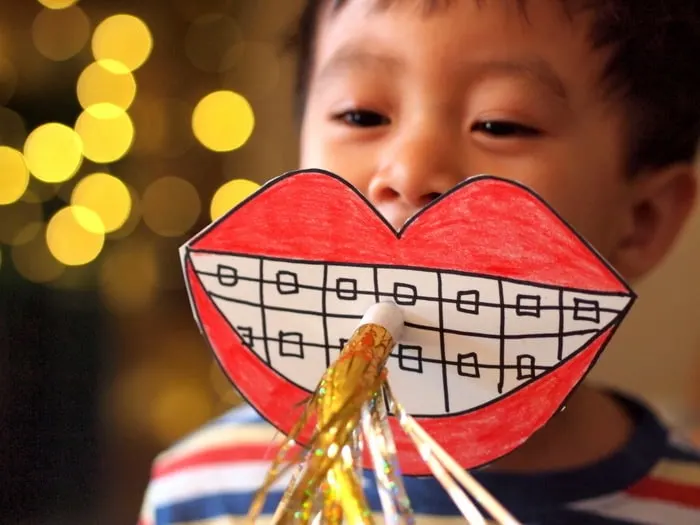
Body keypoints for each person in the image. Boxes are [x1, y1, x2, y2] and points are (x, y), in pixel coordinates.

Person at [139, 1, 700, 523]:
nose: (407, 173)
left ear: (642, 219)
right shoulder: (202, 492)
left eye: (500, 125)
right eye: (360, 116)